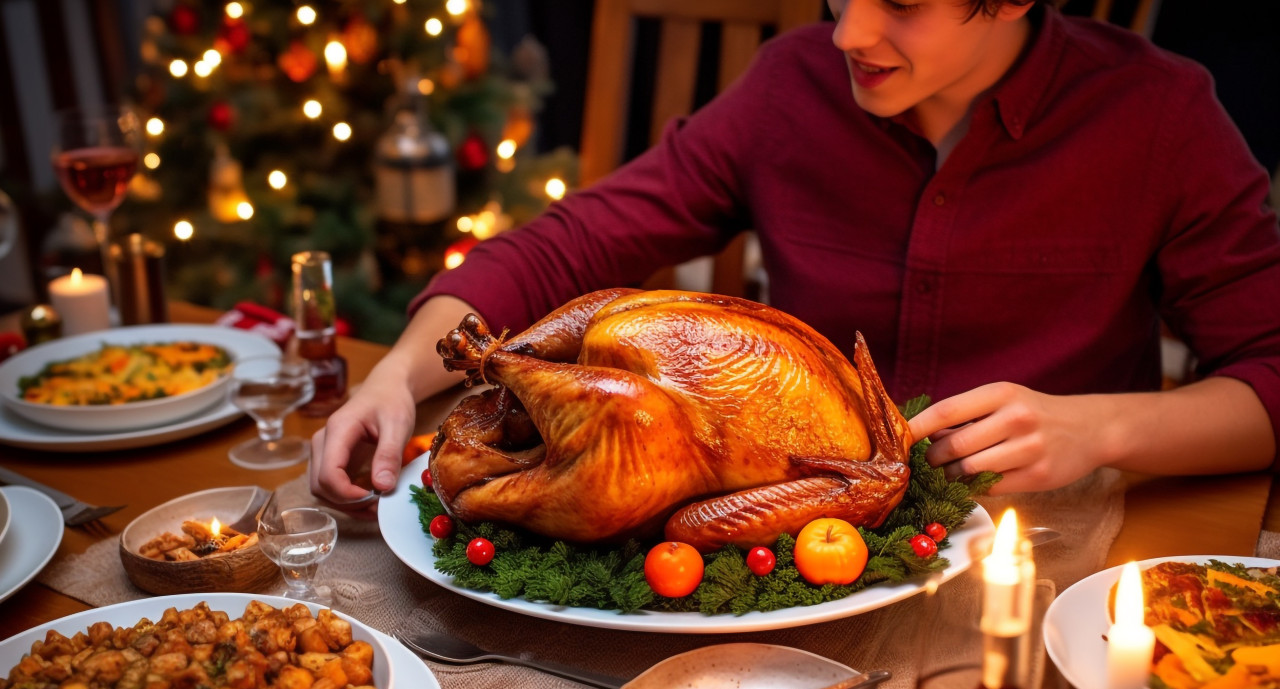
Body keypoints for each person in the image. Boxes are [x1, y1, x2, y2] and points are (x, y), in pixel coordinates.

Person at [311, 0, 1280, 507]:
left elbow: (1269, 371)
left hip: (1046, 573)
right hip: (795, 567)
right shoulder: (790, 88)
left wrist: (1095, 430)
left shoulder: (1158, 116)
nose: (850, 30)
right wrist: (401, 373)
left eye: (900, 0)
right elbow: (575, 241)